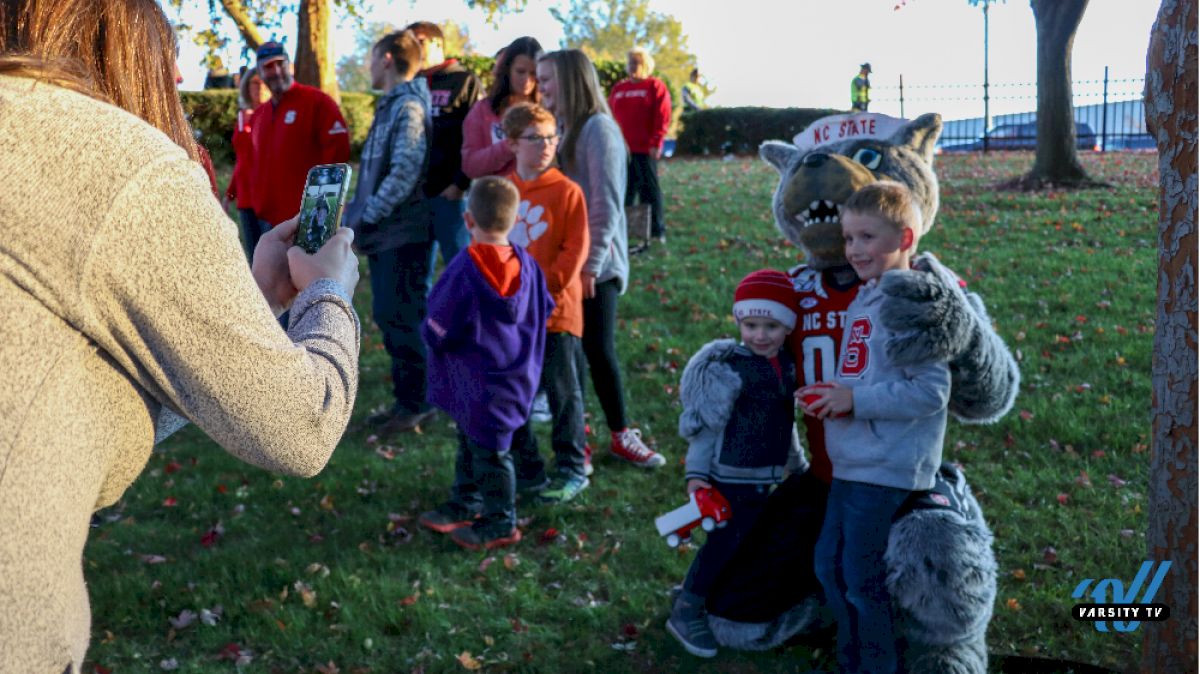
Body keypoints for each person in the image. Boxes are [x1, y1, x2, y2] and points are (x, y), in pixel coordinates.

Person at [0, 1, 362, 671]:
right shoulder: (112, 155)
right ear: (128, 54)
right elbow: (300, 427)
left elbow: (59, 400)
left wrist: (245, 306)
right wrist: (327, 291)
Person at [798, 181, 951, 674]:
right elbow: (868, 374)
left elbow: (930, 392)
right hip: (853, 461)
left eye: (867, 237)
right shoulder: (869, 297)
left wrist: (855, 400)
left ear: (905, 239)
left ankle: (875, 664)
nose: (854, 249)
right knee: (830, 567)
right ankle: (852, 657)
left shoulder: (913, 303)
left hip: (886, 467)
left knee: (861, 577)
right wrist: (832, 394)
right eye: (848, 238)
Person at [536, 49, 666, 469]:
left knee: (597, 349)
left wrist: (590, 265)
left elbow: (606, 205)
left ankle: (621, 432)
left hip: (595, 266)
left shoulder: (599, 129)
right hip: (562, 260)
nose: (541, 88)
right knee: (567, 353)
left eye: (548, 80)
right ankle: (579, 439)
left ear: (572, 81)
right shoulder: (560, 126)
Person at [666, 269, 802, 659]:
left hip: (766, 478)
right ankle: (687, 607)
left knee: (742, 544)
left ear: (786, 326)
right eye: (751, 324)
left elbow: (783, 422)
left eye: (771, 326)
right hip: (729, 478)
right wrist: (696, 476)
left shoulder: (786, 366)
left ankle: (705, 595)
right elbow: (706, 428)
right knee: (724, 543)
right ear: (739, 322)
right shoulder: (730, 368)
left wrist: (797, 462)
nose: (760, 335)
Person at [420, 176, 554, 550]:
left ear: (468, 220)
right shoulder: (527, 265)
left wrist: (431, 336)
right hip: (513, 380)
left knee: (492, 454)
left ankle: (500, 522)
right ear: (512, 221)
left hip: (477, 384)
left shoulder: (465, 269)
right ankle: (466, 501)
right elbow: (546, 308)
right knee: (473, 443)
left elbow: (438, 325)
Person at [342, 30, 437, 436]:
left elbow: (405, 171)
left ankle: (418, 404)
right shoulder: (391, 107)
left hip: (403, 233)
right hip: (384, 233)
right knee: (391, 315)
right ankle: (408, 400)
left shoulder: (409, 106)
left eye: (370, 56)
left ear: (386, 59)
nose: (366, 65)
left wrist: (370, 214)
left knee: (402, 316)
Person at [498, 102, 592, 503]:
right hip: (512, 316)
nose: (547, 144)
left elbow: (574, 252)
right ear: (512, 143)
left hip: (555, 313)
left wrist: (540, 293)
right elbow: (488, 246)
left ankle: (572, 467)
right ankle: (529, 468)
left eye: (552, 136)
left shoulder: (567, 191)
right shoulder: (502, 192)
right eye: (536, 138)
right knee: (511, 391)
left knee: (562, 392)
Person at [248, 40, 351, 230]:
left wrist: (321, 210)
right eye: (269, 67)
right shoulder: (259, 116)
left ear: (290, 66)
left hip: (310, 219)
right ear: (260, 73)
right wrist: (259, 203)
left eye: (281, 64)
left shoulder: (318, 102)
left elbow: (337, 158)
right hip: (270, 221)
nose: (277, 71)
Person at [405, 21, 483, 274]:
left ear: (437, 43)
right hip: (413, 198)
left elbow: (478, 137)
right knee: (417, 276)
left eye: (418, 40)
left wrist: (460, 184)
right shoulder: (409, 83)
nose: (411, 48)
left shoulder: (464, 80)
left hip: (450, 194)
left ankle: (467, 314)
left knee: (462, 268)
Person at [608, 47, 672, 243]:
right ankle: (622, 230)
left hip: (645, 149)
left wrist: (656, 141)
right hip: (622, 149)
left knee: (649, 191)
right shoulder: (619, 89)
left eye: (636, 63)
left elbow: (662, 116)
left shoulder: (655, 86)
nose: (632, 66)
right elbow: (609, 115)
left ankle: (655, 230)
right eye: (630, 63)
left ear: (645, 65)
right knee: (624, 190)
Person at [461, 36, 542, 180]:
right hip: (496, 197)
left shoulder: (548, 109)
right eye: (520, 71)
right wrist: (509, 146)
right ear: (508, 70)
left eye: (533, 74)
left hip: (539, 197)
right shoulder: (483, 110)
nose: (527, 80)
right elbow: (470, 167)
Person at [226, 68, 273, 261]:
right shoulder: (242, 117)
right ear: (247, 87)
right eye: (254, 82)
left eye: (263, 82)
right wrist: (229, 194)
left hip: (268, 199)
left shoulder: (274, 115)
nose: (259, 87)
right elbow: (242, 161)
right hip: (246, 199)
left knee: (270, 257)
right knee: (253, 258)